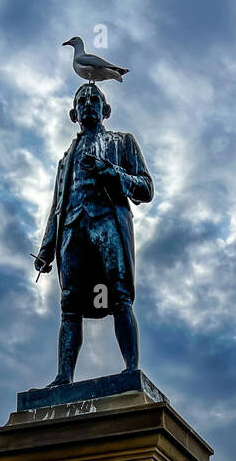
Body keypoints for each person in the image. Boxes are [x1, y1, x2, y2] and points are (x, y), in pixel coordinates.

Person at [34, 82, 153, 386]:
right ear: (73, 113)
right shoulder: (65, 161)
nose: (88, 103)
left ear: (105, 109)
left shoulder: (122, 142)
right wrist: (47, 249)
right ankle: (63, 376)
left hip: (108, 223)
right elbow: (57, 207)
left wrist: (109, 172)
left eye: (94, 99)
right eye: (82, 100)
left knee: (120, 297)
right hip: (72, 231)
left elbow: (146, 188)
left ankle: (131, 369)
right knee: (69, 305)